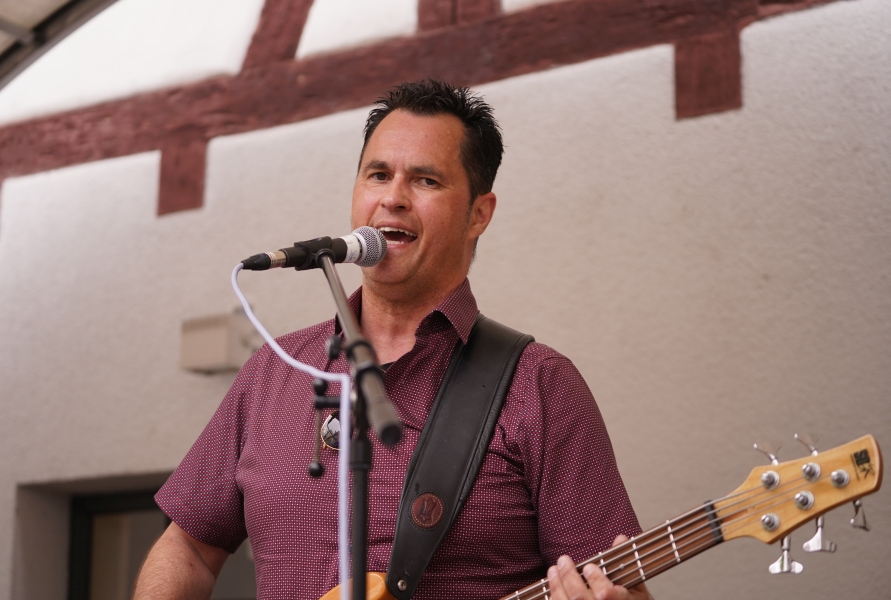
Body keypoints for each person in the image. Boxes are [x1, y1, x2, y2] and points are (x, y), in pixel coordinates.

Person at [134, 80, 652, 600]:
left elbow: (619, 583)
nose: (393, 198)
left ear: (479, 214)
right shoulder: (275, 368)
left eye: (426, 180)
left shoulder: (540, 384)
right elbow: (188, 549)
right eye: (378, 174)